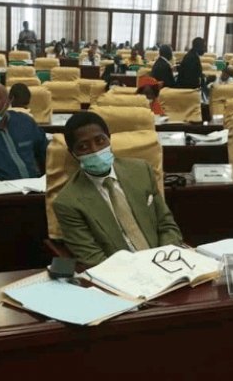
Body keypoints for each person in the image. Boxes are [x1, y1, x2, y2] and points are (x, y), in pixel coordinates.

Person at [52, 112, 183, 266]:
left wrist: (166, 258)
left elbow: (166, 225)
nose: (95, 150)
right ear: (73, 154)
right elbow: (92, 257)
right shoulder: (67, 202)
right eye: (83, 147)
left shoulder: (141, 171)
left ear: (109, 139)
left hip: (165, 262)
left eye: (100, 141)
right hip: (120, 276)